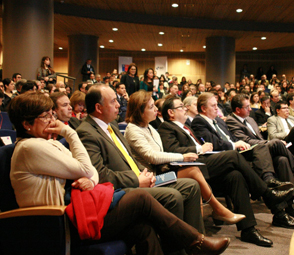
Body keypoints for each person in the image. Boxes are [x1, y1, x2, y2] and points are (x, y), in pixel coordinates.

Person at [7, 91, 229, 255]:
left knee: (144, 229)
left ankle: (194, 244)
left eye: (51, 114)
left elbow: (91, 175)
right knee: (141, 198)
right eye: (46, 116)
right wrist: (69, 133)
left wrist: (86, 176)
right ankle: (196, 242)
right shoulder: (32, 147)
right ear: (26, 124)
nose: (52, 121)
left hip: (74, 214)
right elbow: (89, 170)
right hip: (54, 224)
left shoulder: (45, 144)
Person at [158, 96, 294, 246]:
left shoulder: (186, 126)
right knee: (233, 155)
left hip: (206, 161)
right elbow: (172, 150)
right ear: (171, 112)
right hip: (194, 166)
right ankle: (267, 193)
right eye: (181, 107)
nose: (185, 108)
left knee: (235, 176)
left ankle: (248, 230)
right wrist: (199, 148)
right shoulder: (167, 127)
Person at [76, 84, 205, 235]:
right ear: (99, 108)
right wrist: (137, 179)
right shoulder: (86, 132)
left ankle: (195, 245)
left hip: (141, 178)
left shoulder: (112, 126)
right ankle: (182, 248)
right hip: (123, 189)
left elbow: (129, 158)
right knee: (173, 196)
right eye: (113, 102)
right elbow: (100, 174)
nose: (118, 104)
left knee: (191, 186)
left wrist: (145, 174)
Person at [124, 91, 245, 226]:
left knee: (194, 174)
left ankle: (204, 224)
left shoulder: (150, 128)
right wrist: (183, 157)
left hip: (161, 170)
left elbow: (161, 153)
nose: (157, 109)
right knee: (193, 171)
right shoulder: (133, 129)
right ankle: (217, 209)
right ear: (140, 111)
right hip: (151, 178)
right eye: (152, 107)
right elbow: (152, 156)